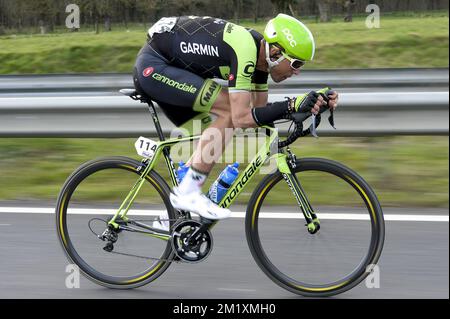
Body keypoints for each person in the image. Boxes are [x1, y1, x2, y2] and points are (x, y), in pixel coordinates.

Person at [133, 14, 339, 226]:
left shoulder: (261, 61)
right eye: (295, 63)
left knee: (217, 131)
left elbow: (258, 114)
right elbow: (241, 117)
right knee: (230, 114)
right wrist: (291, 105)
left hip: (174, 67)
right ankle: (188, 191)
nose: (297, 72)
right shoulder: (245, 50)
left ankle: (169, 218)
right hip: (154, 67)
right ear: (276, 52)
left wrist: (312, 104)